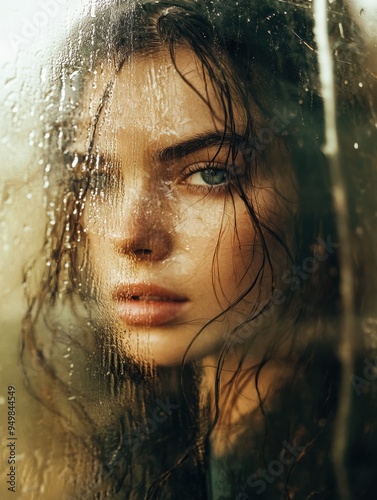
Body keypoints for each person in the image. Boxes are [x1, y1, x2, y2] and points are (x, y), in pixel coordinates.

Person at [20, 0, 377, 498]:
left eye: (210, 173)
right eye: (96, 178)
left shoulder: (350, 460)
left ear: (320, 191)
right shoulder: (137, 442)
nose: (131, 234)